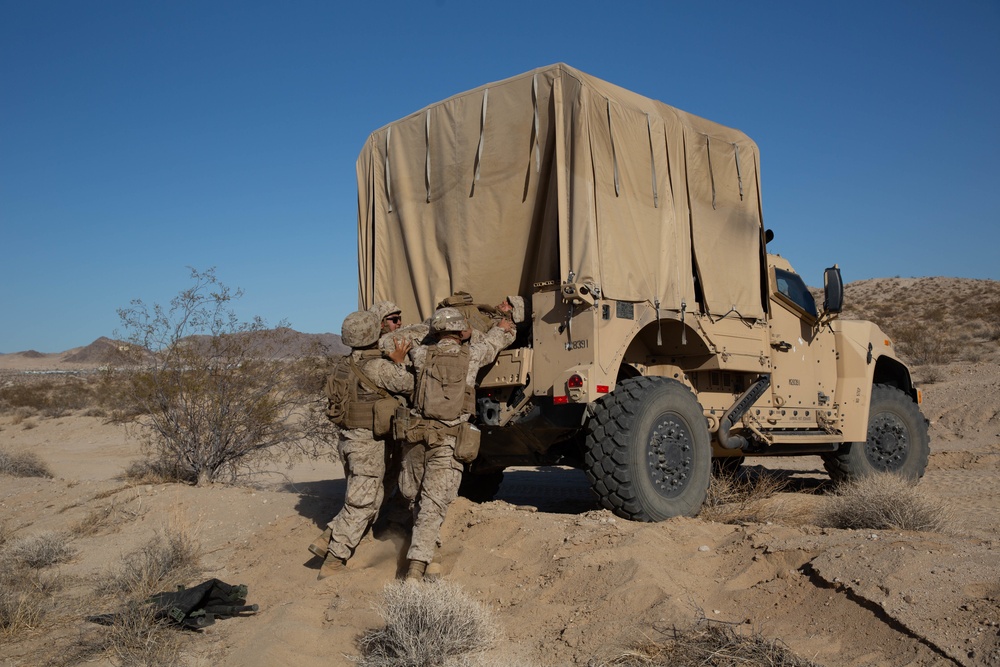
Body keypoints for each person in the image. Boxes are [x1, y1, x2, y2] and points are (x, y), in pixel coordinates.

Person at [397, 307, 515, 581]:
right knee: (434, 503)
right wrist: (503, 324)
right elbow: (500, 339)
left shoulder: (418, 354)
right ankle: (417, 566)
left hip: (415, 438)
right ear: (462, 331)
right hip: (448, 439)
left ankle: (429, 552)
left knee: (414, 497)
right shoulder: (473, 354)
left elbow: (398, 340)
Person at [311, 310, 412, 580]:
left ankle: (327, 536)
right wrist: (399, 362)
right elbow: (408, 384)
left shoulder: (343, 365)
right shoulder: (378, 367)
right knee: (363, 502)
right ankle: (335, 557)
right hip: (367, 444)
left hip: (348, 440)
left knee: (370, 493)